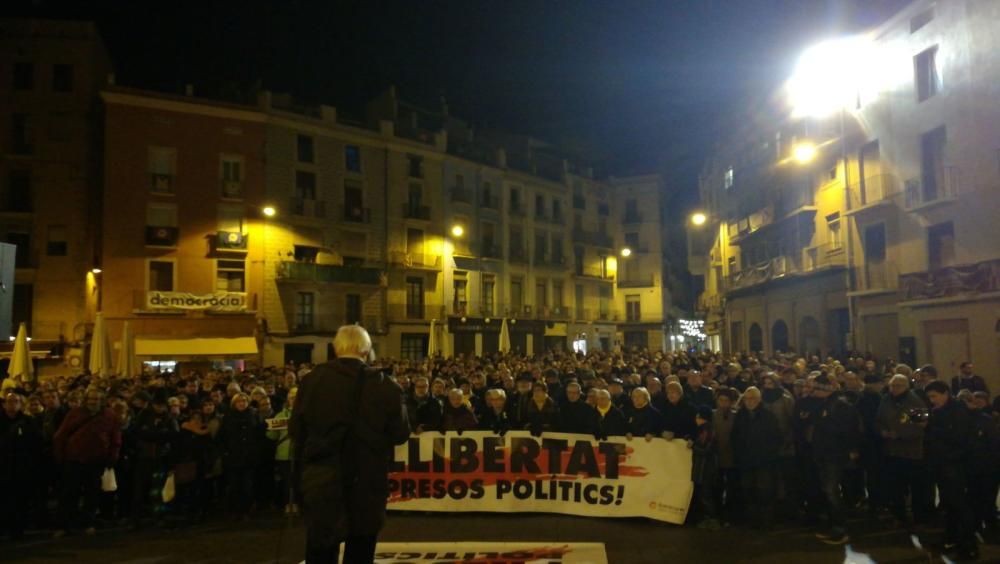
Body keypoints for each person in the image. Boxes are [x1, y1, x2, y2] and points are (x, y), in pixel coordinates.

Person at [290, 325, 409, 564]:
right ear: (367, 351)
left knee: (321, 546)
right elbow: (400, 433)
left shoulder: (312, 381)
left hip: (322, 476)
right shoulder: (386, 386)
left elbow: (296, 431)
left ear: (336, 348)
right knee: (361, 547)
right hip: (367, 477)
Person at [52, 388, 122, 537]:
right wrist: (60, 457)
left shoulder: (110, 416)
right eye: (90, 399)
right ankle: (63, 525)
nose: (93, 402)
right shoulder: (75, 413)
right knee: (69, 494)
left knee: (92, 494)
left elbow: (115, 438)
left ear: (101, 400)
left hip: (96, 460)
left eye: (96, 399)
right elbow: (61, 434)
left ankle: (88, 523)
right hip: (74, 459)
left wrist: (112, 457)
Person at [924, 380, 978, 560]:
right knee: (949, 505)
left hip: (955, 465)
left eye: (934, 396)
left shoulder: (958, 412)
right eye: (929, 397)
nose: (932, 400)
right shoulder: (939, 411)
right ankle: (952, 539)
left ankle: (969, 544)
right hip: (943, 464)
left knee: (960, 505)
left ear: (946, 393)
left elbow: (960, 439)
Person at [810, 373, 861, 545]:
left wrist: (850, 450)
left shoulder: (839, 405)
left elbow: (850, 430)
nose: (813, 391)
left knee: (832, 492)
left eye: (816, 388)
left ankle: (839, 529)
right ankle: (834, 525)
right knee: (829, 491)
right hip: (825, 453)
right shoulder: (826, 404)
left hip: (833, 454)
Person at [877, 374, 931, 527]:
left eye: (898, 385)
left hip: (911, 451)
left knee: (916, 486)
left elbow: (922, 425)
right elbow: (879, 419)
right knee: (895, 486)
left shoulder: (915, 401)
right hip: (892, 450)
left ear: (906, 386)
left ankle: (919, 516)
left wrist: (900, 434)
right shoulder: (886, 400)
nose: (894, 389)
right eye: (892, 385)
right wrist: (882, 431)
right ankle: (898, 514)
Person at [731, 387, 780, 530]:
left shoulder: (768, 416)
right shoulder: (741, 415)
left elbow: (776, 437)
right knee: (748, 490)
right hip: (746, 460)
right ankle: (752, 520)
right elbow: (735, 436)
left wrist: (768, 454)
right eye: (746, 398)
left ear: (759, 399)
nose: (749, 401)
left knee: (764, 491)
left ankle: (766, 521)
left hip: (763, 461)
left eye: (752, 398)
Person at [0, 392, 40, 541]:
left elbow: (36, 445)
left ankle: (17, 530)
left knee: (20, 501)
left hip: (21, 469)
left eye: (16, 401)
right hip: (3, 468)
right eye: (9, 401)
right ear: (4, 404)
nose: (12, 404)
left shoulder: (28, 422)